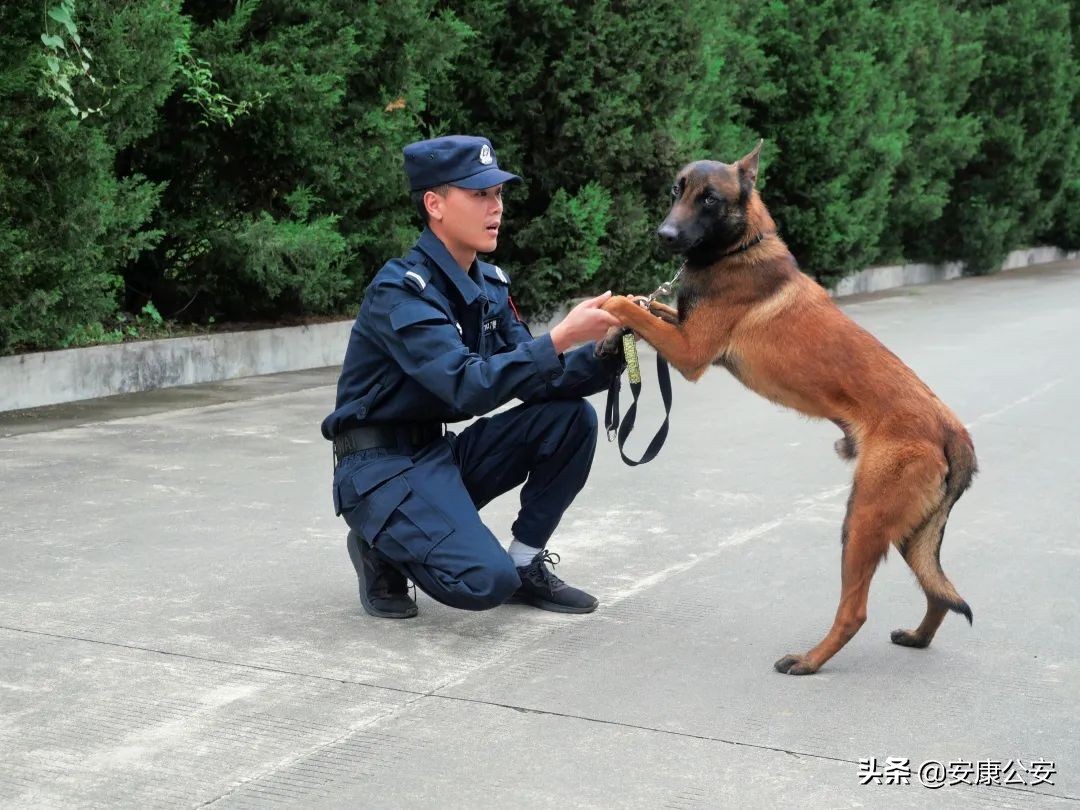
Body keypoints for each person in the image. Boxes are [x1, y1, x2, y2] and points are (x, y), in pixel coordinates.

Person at [320, 134, 623, 619]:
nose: (495, 207)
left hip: (434, 455)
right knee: (483, 582)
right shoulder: (401, 291)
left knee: (570, 418)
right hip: (376, 470)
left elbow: (536, 379)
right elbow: (466, 383)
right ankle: (380, 548)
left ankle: (525, 564)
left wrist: (611, 348)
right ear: (435, 204)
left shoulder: (489, 285)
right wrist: (562, 336)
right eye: (479, 194)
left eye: (498, 194)